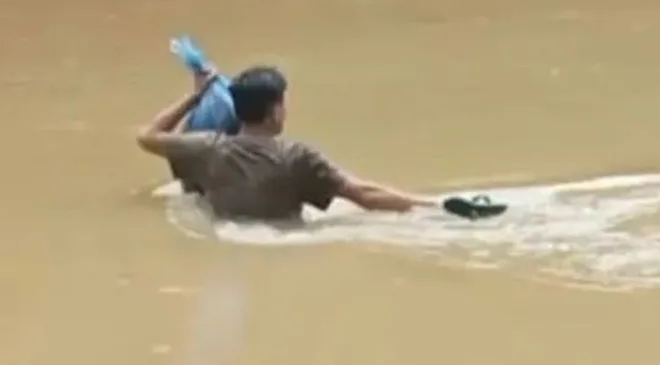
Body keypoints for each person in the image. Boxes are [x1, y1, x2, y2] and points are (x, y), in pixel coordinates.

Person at [135, 65, 506, 224]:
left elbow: (146, 136)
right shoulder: (296, 156)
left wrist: (194, 97)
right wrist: (434, 207)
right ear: (274, 112)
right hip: (285, 242)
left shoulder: (206, 148)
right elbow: (363, 194)